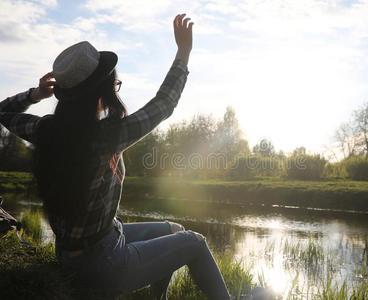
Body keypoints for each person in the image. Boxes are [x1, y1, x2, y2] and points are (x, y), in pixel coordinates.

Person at [0, 14, 230, 300]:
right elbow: (164, 103)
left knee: (175, 229)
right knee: (195, 242)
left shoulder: (45, 130)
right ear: (102, 91)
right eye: (115, 84)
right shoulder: (107, 136)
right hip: (103, 262)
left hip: (78, 250)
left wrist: (34, 94)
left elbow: (2, 112)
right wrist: (184, 53)